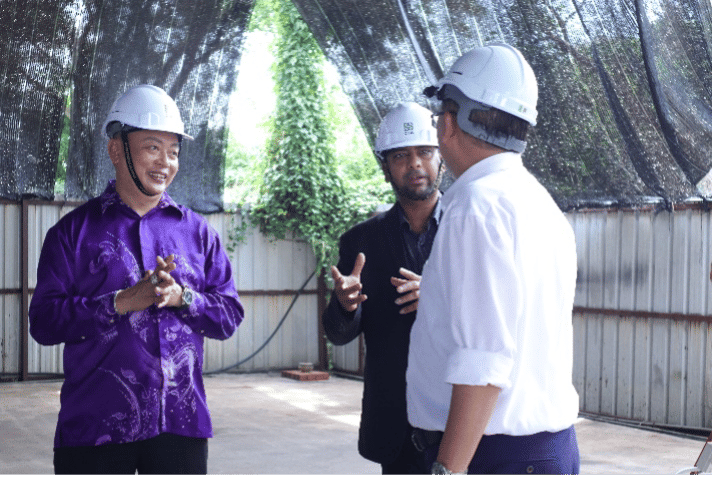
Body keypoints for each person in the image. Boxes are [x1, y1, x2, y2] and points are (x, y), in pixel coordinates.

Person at [29, 84, 244, 475]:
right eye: (152, 147)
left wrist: (183, 298)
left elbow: (229, 315)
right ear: (117, 150)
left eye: (173, 151)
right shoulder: (71, 234)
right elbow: (43, 322)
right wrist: (122, 301)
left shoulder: (198, 234)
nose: (165, 162)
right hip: (95, 429)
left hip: (180, 426)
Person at [406, 43, 581, 475]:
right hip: (541, 451)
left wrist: (448, 469)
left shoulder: (476, 207)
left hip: (494, 456)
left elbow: (483, 363)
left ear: (448, 123)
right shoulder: (538, 202)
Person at [323, 102, 444, 474]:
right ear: (386, 167)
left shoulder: (470, 229)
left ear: (441, 158)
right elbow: (338, 334)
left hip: (459, 416)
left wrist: (439, 298)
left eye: (425, 152)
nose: (415, 164)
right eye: (401, 156)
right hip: (396, 425)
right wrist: (346, 306)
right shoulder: (361, 241)